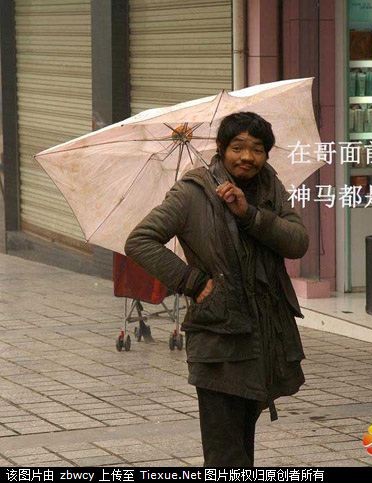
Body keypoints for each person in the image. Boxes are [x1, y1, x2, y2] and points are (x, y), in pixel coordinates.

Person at [125, 112, 308, 467]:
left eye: (257, 149)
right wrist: (192, 282)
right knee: (225, 455)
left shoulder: (270, 187)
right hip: (218, 341)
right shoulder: (193, 192)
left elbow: (297, 242)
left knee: (242, 447)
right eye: (238, 147)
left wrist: (249, 214)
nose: (247, 157)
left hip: (262, 338)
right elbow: (140, 240)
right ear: (221, 149)